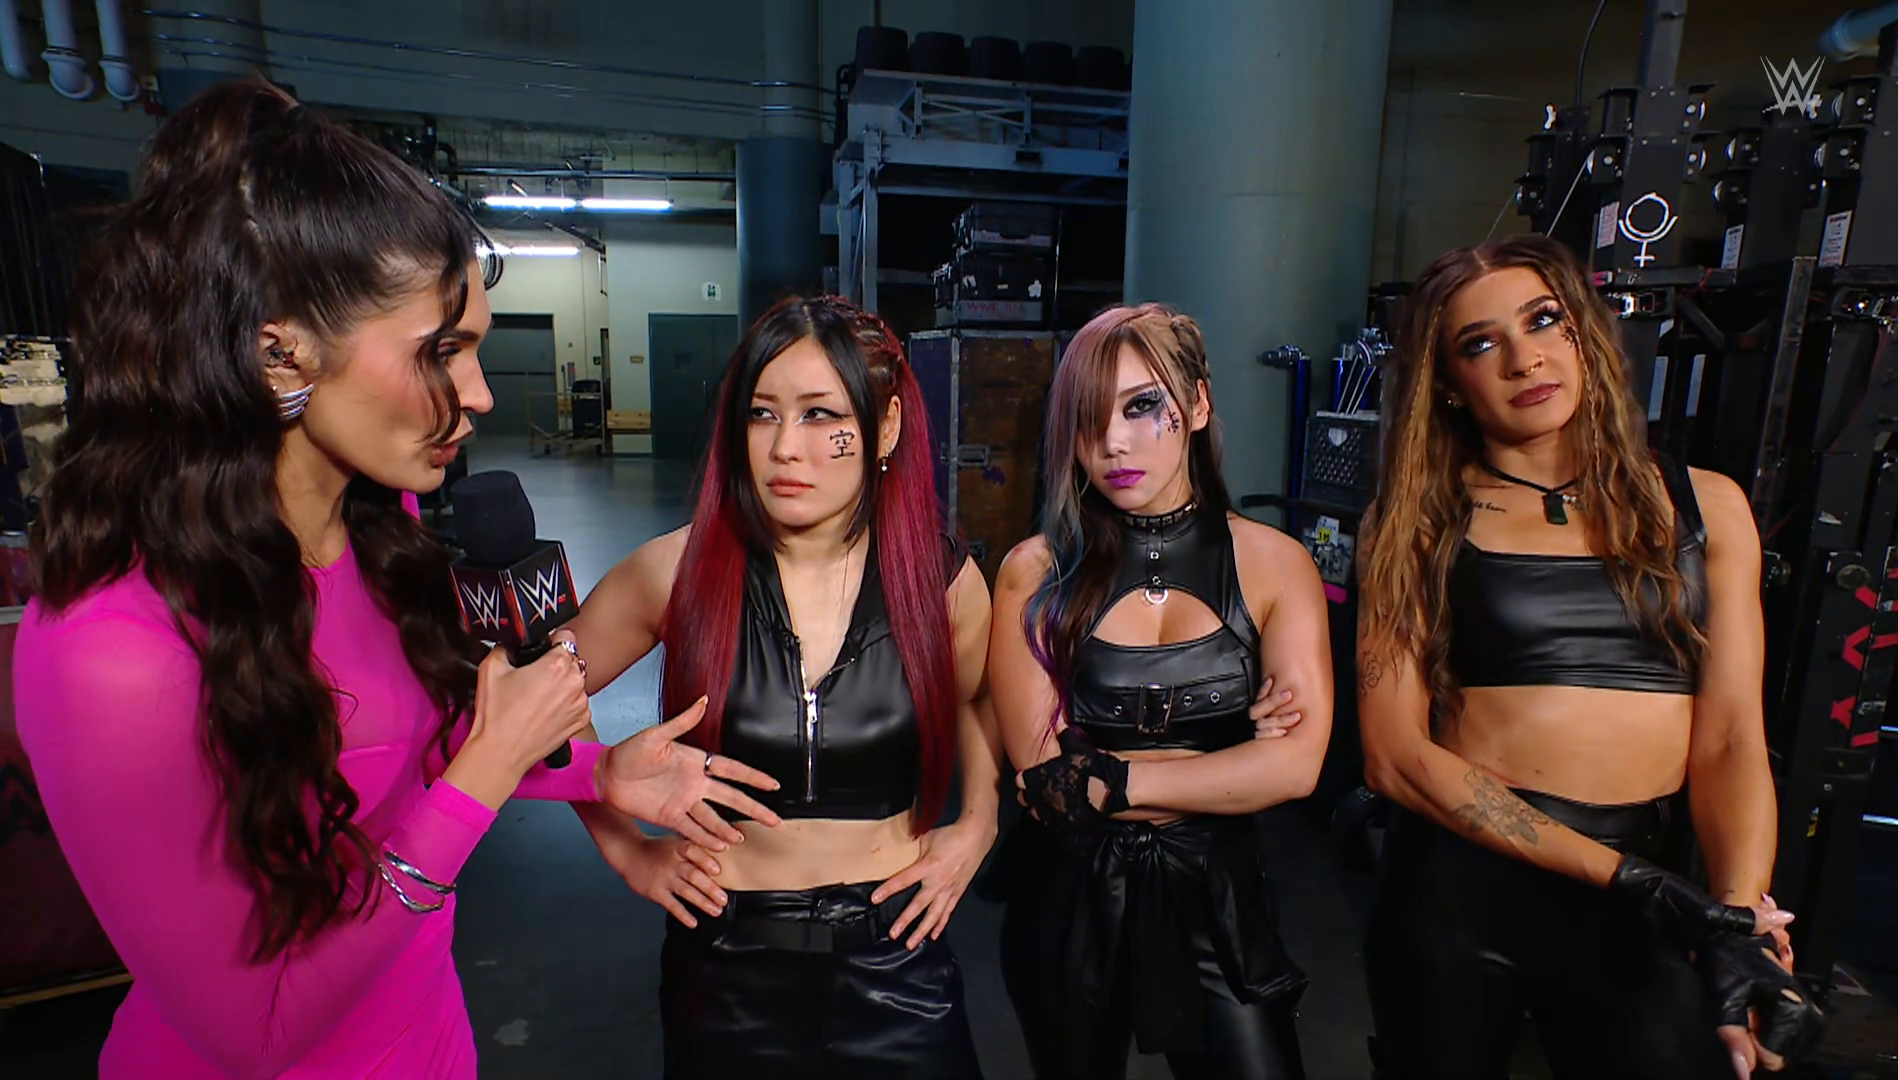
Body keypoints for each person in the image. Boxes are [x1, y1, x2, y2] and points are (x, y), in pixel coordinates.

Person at [14, 80, 777, 1080]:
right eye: (441, 353)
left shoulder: (380, 529)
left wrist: (594, 771)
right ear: (280, 353)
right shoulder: (107, 652)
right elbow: (255, 1032)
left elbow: (407, 756)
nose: (480, 395)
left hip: (432, 1046)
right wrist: (486, 773)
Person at [1357, 234, 1823, 1080]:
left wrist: (1737, 921)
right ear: (1448, 383)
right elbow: (1395, 757)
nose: (1524, 359)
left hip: (1645, 892)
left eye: (1543, 321)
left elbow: (1731, 741)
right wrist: (1632, 880)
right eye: (1481, 343)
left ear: (1583, 333)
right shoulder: (1415, 520)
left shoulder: (1706, 506)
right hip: (1460, 892)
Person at [564, 295, 998, 1078]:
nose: (784, 448)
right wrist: (626, 848)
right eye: (762, 415)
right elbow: (528, 700)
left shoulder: (943, 583)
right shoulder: (674, 571)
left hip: (897, 956)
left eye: (819, 414)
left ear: (885, 428)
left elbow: (972, 701)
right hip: (727, 966)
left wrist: (980, 821)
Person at [988, 303, 1333, 1080]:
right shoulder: (1034, 571)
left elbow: (1296, 767)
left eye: (1142, 406)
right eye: (1088, 418)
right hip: (1068, 896)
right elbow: (1054, 790)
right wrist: (1230, 765)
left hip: (1216, 892)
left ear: (1198, 404)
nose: (1112, 442)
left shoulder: (1275, 564)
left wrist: (1116, 778)